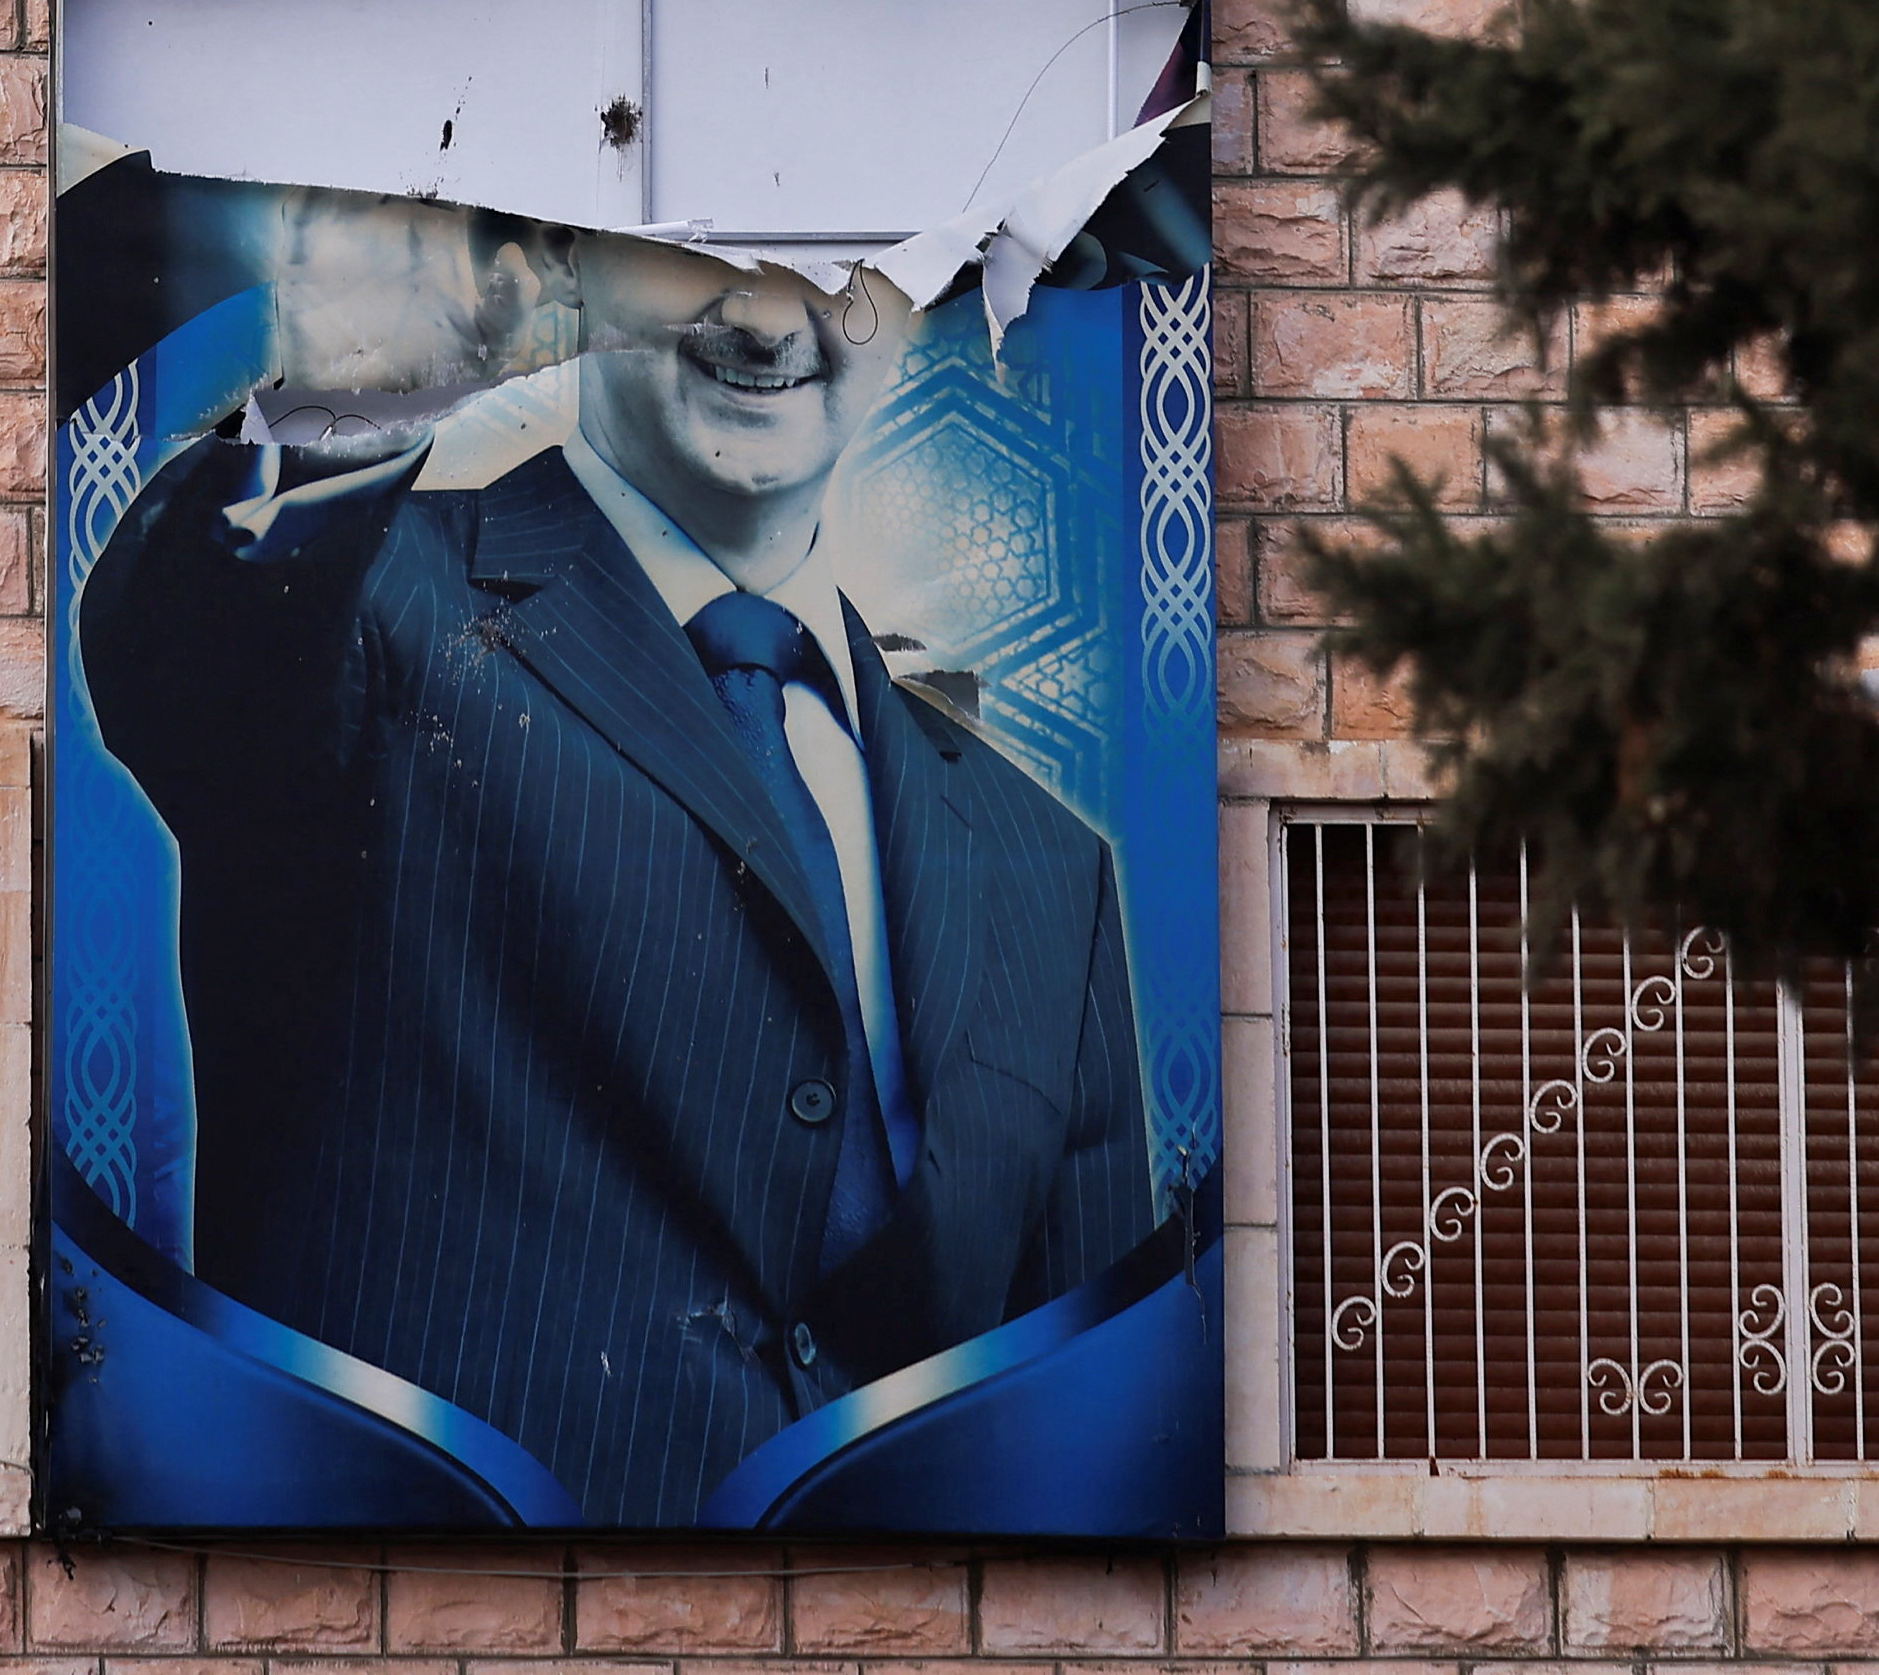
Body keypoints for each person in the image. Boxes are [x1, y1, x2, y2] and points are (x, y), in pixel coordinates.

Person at [74, 224, 1158, 1523]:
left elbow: (1085, 1445)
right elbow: (183, 646)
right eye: (705, 237)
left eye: (846, 243)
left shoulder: (1053, 870)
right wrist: (358, 392)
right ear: (573, 251)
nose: (767, 316)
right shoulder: (372, 606)